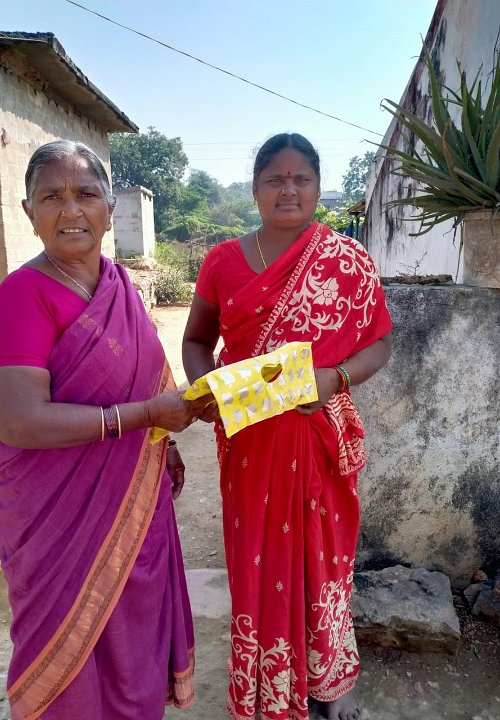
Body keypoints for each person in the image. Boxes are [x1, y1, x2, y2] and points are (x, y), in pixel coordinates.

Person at [0, 140, 210, 720]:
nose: (71, 210)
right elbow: (19, 419)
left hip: (133, 493)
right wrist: (146, 417)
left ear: (110, 209)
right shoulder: (21, 296)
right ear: (29, 211)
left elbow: (144, 374)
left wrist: (168, 433)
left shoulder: (120, 285)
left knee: (131, 634)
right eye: (51, 197)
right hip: (54, 514)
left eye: (86, 194)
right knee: (69, 644)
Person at [182, 133, 392, 720]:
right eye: (275, 178)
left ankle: (330, 680)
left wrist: (335, 379)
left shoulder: (347, 261)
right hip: (250, 443)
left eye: (301, 179)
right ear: (255, 190)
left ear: (319, 189)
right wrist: (208, 389)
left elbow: (380, 343)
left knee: (324, 559)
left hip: (320, 437)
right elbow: (197, 340)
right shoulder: (222, 262)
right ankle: (265, 684)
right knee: (258, 562)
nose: (288, 189)